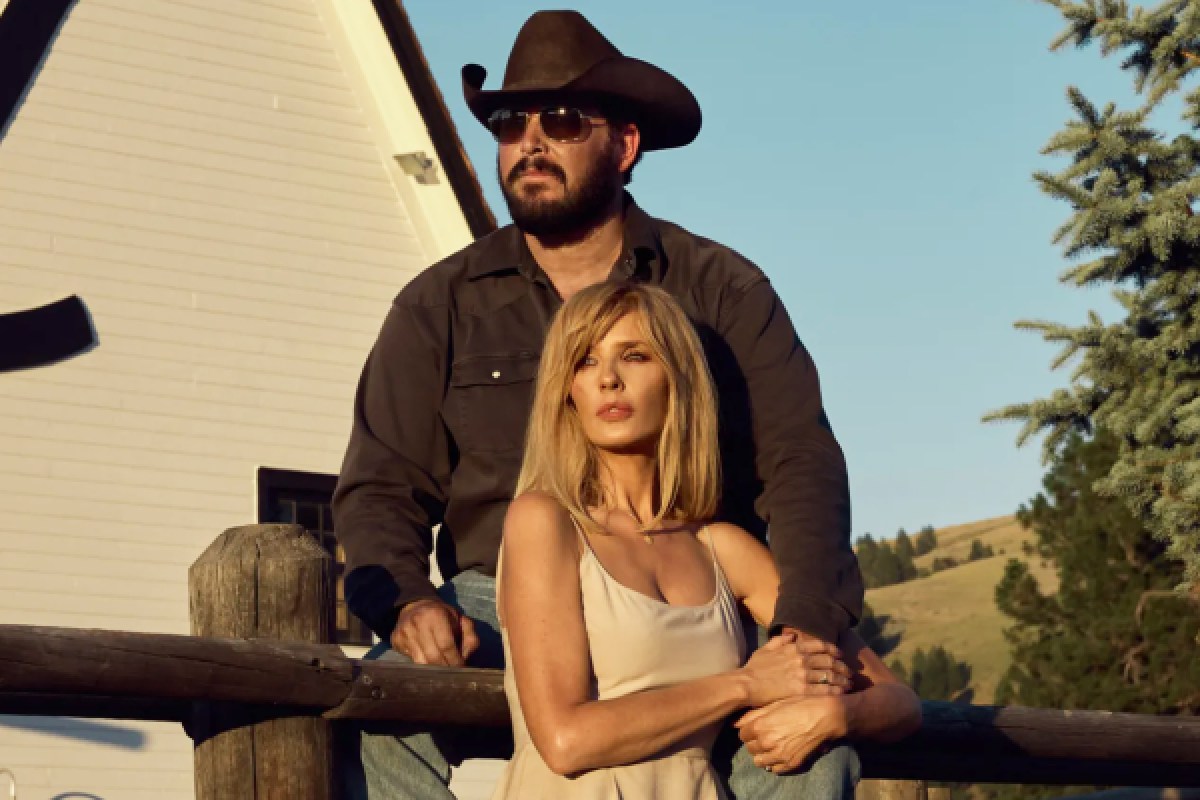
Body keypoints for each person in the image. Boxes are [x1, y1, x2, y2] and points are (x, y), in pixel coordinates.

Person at [333, 10, 865, 799]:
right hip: (503, 600)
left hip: (691, 591)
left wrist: (801, 626)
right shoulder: (439, 305)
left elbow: (801, 461)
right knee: (378, 714)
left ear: (624, 144)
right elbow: (381, 484)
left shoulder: (721, 289)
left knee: (814, 747)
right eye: (510, 124)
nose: (529, 142)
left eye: (561, 120)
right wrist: (407, 602)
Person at [493, 281, 921, 798]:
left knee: (831, 757)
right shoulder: (545, 521)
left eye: (634, 356)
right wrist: (745, 685)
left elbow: (900, 702)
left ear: (676, 378)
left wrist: (836, 715)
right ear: (567, 391)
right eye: (585, 362)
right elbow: (565, 741)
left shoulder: (722, 548)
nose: (608, 379)